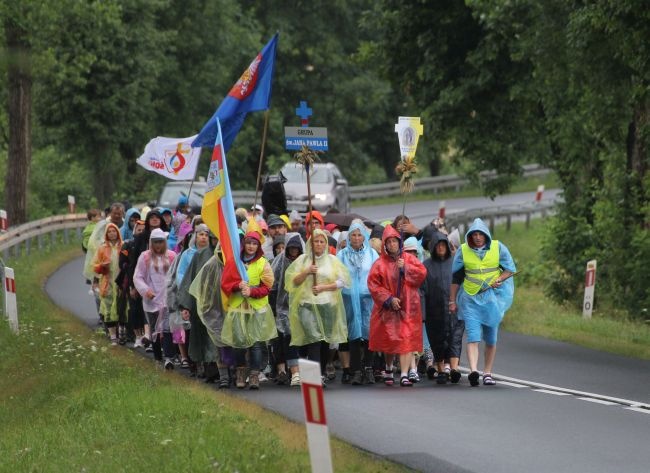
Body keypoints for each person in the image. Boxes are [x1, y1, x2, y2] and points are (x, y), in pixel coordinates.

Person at [449, 218, 516, 386]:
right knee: (473, 336)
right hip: (470, 298)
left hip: (492, 299)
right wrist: (452, 300)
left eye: (480, 234)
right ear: (470, 236)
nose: (478, 237)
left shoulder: (498, 247)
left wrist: (500, 279)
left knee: (491, 338)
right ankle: (473, 371)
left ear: (486, 235)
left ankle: (487, 372)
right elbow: (456, 278)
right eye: (474, 234)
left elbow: (510, 269)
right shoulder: (463, 251)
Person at [285, 229, 350, 385]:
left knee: (325, 340)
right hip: (307, 304)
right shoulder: (302, 260)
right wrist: (307, 272)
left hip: (328, 305)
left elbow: (343, 282)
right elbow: (292, 282)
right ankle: (313, 377)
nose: (319, 244)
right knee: (314, 338)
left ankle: (320, 374)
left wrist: (324, 287)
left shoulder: (332, 260)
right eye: (316, 241)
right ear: (310, 243)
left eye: (322, 241)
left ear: (326, 244)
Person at [368, 225, 426, 387]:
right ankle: (388, 368)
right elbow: (374, 285)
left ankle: (404, 374)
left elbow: (421, 274)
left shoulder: (408, 259)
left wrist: (405, 268)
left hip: (408, 307)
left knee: (406, 339)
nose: (392, 244)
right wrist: (388, 299)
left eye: (395, 241)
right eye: (389, 242)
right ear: (385, 245)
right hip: (388, 309)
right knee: (390, 340)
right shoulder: (379, 264)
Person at [220, 231, 277, 389]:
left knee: (256, 344)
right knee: (239, 342)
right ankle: (240, 371)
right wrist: (237, 286)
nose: (251, 246)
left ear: (258, 246)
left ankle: (254, 374)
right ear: (243, 244)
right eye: (248, 243)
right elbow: (225, 284)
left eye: (254, 244)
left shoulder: (263, 263)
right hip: (238, 308)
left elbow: (268, 286)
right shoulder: (234, 262)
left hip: (257, 308)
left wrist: (252, 291)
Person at [337, 221, 379, 385]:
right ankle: (355, 370)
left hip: (368, 299)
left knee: (369, 333)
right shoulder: (342, 255)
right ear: (348, 237)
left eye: (359, 234)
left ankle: (368, 368)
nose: (356, 238)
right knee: (353, 333)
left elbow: (377, 274)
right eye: (353, 235)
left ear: (364, 236)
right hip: (348, 299)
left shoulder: (372, 254)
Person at [133, 228, 177, 369]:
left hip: (167, 298)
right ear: (151, 243)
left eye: (160, 242)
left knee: (167, 328)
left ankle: (169, 357)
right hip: (151, 299)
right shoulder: (144, 257)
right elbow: (138, 276)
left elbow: (177, 275)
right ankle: (158, 357)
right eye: (155, 242)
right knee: (154, 329)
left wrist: (174, 292)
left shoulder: (171, 256)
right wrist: (146, 291)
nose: (158, 245)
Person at [422, 231, 458, 384]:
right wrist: (423, 312)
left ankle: (454, 368)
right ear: (434, 247)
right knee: (437, 339)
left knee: (454, 338)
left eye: (443, 245)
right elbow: (422, 290)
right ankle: (441, 369)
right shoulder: (427, 265)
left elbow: (460, 283)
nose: (441, 248)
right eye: (438, 245)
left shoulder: (455, 262)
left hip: (452, 307)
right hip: (433, 309)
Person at [269, 233, 304, 386]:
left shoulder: (304, 261)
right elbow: (274, 285)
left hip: (303, 306)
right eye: (292, 247)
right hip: (283, 307)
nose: (294, 250)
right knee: (286, 338)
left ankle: (299, 370)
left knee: (302, 340)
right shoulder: (280, 262)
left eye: (297, 248)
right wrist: (274, 308)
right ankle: (291, 371)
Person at [92, 223, 123, 345]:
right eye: (109, 232)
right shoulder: (102, 248)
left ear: (118, 232)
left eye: (114, 231)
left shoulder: (123, 246)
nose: (112, 233)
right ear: (106, 234)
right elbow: (94, 266)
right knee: (109, 309)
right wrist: (101, 266)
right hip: (107, 283)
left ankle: (122, 334)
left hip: (120, 283)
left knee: (121, 308)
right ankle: (113, 336)